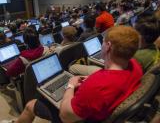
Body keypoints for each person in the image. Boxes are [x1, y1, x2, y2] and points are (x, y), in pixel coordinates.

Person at [1, 26, 143, 123]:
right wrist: (89, 79)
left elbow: (65, 115)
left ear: (108, 46)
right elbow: (107, 79)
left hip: (80, 117)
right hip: (100, 105)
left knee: (31, 104)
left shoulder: (96, 86)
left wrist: (70, 85)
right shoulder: (135, 66)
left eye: (103, 42)